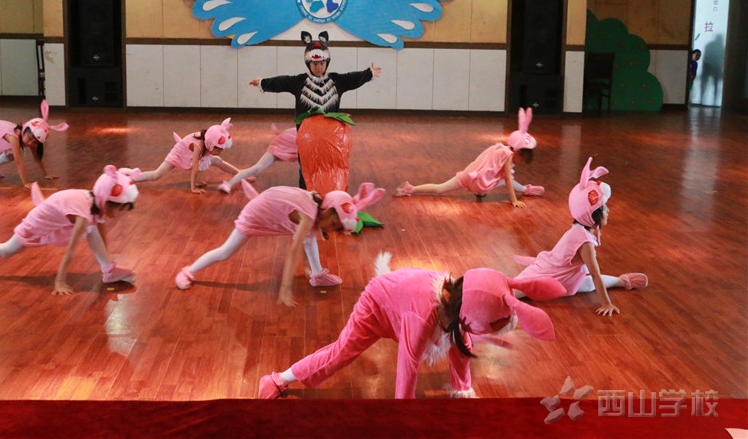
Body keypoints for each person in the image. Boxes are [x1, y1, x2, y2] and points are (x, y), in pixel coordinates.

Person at [258, 253, 565, 399]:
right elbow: (408, 365)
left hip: (404, 294)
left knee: (459, 341)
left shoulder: (462, 298)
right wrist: (404, 413)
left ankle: (461, 387)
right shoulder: (424, 317)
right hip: (378, 303)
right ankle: (278, 378)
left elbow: (462, 343)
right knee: (341, 353)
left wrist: (463, 388)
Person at [175, 180, 385, 307]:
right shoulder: (309, 214)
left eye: (337, 228)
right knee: (225, 252)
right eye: (334, 223)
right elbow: (294, 250)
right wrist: (285, 288)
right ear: (328, 210)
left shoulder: (317, 208)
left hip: (273, 210)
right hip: (255, 215)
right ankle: (188, 271)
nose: (331, 229)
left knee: (310, 237)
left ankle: (317, 274)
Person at [0, 165, 140, 295]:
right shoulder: (84, 214)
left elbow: (100, 232)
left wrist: (107, 263)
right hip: (35, 223)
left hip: (55, 216)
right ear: (107, 201)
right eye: (121, 208)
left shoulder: (94, 202)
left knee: (93, 232)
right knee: (6, 250)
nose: (121, 212)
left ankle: (108, 271)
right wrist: (59, 281)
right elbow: (71, 250)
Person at [512, 157, 648, 316]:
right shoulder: (585, 242)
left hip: (566, 278)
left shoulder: (578, 228)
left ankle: (623, 281)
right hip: (551, 277)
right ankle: (621, 281)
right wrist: (606, 303)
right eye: (604, 208)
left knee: (588, 284)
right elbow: (595, 274)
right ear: (592, 215)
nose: (608, 211)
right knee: (514, 290)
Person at [250, 31, 381, 192]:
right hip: (307, 139)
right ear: (308, 64)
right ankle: (307, 196)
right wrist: (262, 83)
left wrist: (368, 73)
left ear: (327, 62)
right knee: (306, 167)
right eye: (314, 64)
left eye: (322, 64)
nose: (318, 67)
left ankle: (330, 196)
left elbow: (352, 78)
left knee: (330, 167)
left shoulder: (336, 81)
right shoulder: (299, 82)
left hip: (330, 139)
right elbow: (281, 82)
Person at [394, 107, 544, 207]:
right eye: (522, 158)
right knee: (505, 179)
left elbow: (484, 165)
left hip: (470, 176)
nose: (520, 161)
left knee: (440, 188)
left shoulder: (498, 148)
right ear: (518, 151)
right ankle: (526, 190)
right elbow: (508, 180)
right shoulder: (508, 155)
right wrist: (514, 200)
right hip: (477, 182)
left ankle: (410, 189)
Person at [0, 99, 68, 187]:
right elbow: (19, 162)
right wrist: (25, 183)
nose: (31, 143)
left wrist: (46, 174)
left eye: (35, 142)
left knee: (10, 155)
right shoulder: (14, 138)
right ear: (25, 130)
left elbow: (37, 158)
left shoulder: (31, 137)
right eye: (30, 138)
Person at [135, 118, 240, 194]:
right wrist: (193, 188)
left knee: (218, 160)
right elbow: (195, 167)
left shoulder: (207, 142)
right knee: (156, 175)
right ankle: (131, 178)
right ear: (211, 144)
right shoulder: (199, 145)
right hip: (177, 155)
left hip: (188, 154)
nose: (221, 151)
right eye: (219, 149)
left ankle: (240, 173)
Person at [217, 125, 297, 194]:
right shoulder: (294, 134)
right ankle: (228, 184)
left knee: (257, 168)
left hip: (292, 144)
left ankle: (240, 177)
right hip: (282, 145)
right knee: (257, 168)